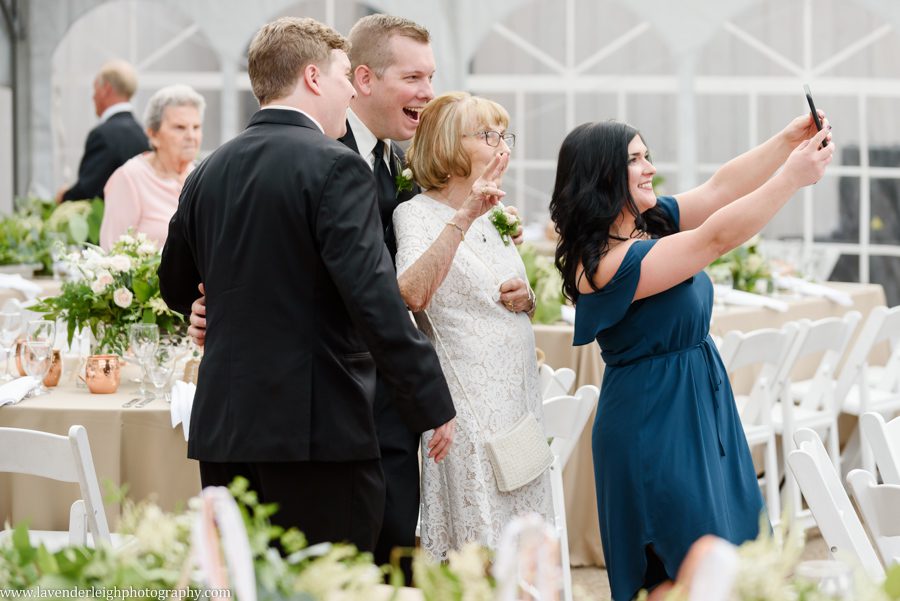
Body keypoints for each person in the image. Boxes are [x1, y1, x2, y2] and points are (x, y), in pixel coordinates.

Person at [184, 14, 522, 574]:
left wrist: (213, 298)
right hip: (326, 412)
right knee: (337, 573)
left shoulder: (213, 166)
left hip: (237, 417)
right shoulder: (332, 160)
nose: (428, 93)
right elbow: (374, 297)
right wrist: (431, 398)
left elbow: (179, 276)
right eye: (413, 77)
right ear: (344, 79)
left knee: (262, 574)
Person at [549, 116, 833, 601]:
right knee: (679, 559)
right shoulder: (599, 265)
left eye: (647, 155)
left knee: (727, 550)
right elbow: (713, 239)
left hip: (701, 408)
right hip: (651, 425)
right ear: (601, 175)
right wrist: (791, 176)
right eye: (634, 160)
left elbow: (721, 188)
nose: (649, 168)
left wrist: (787, 141)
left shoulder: (649, 223)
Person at [394, 91, 553, 561]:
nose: (502, 144)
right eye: (488, 134)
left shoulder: (499, 214)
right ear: (448, 145)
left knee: (524, 530)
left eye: (504, 134)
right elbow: (411, 294)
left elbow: (503, 297)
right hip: (467, 404)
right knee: (480, 535)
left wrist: (529, 298)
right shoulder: (415, 214)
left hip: (516, 401)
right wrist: (465, 214)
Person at [99, 84, 205, 249]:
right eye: (180, 128)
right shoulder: (129, 178)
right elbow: (111, 253)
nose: (191, 136)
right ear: (153, 134)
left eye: (196, 127)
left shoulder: (202, 177)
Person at [56, 60, 149, 203]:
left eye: (95, 90)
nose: (93, 97)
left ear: (106, 89)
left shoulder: (102, 135)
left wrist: (64, 197)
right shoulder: (143, 133)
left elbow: (88, 190)